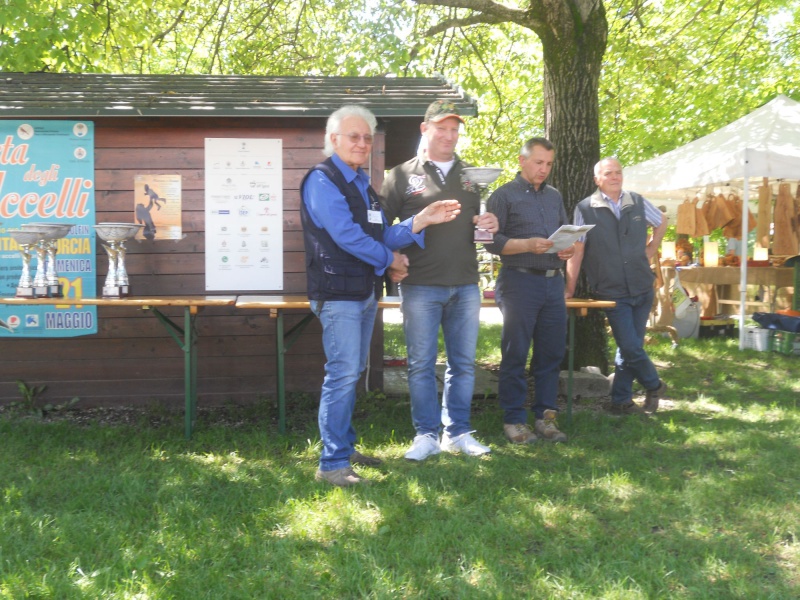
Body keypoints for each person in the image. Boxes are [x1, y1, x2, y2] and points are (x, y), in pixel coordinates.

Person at [301, 104, 461, 486]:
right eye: (353, 136)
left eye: (366, 137)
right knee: (342, 374)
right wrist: (391, 259)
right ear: (334, 139)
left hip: (360, 292)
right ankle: (332, 464)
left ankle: (343, 448)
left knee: (350, 372)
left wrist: (421, 220)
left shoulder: (361, 183)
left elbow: (381, 233)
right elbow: (347, 236)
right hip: (336, 294)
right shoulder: (322, 180)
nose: (362, 143)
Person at [380, 99, 498, 461]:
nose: (449, 136)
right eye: (442, 128)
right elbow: (380, 231)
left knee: (463, 364)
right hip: (420, 284)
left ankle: (458, 433)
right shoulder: (400, 175)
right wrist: (392, 259)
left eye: (454, 129)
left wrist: (488, 225)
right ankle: (426, 435)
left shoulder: (471, 176)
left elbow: (480, 230)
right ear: (424, 129)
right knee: (420, 364)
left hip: (465, 284)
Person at [484, 137, 574, 444]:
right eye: (538, 162)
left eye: (548, 164)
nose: (543, 169)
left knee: (551, 353)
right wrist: (527, 245)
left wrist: (568, 249)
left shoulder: (554, 196)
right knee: (516, 353)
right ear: (522, 161)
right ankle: (514, 420)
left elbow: (566, 232)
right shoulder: (503, 196)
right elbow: (489, 242)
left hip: (553, 281)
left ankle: (546, 417)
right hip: (519, 282)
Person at [565, 157, 668, 415]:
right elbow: (577, 249)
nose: (615, 177)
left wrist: (651, 248)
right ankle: (654, 384)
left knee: (629, 347)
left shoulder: (637, 201)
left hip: (642, 285)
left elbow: (662, 221)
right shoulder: (585, 208)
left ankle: (620, 401)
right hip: (612, 290)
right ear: (597, 179)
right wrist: (570, 287)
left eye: (618, 172)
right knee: (631, 346)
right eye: (608, 173)